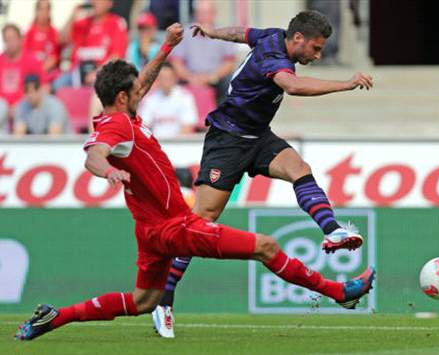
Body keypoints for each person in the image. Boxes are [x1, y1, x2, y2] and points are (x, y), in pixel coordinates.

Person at [14, 23, 375, 342]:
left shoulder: (124, 113)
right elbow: (94, 154)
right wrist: (107, 170)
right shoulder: (117, 126)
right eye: (134, 88)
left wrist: (168, 46)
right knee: (265, 246)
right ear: (123, 97)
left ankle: (57, 316)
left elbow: (147, 80)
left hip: (150, 231)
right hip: (175, 226)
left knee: (142, 301)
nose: (142, 88)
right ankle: (338, 291)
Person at [151, 10, 374, 338]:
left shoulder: (271, 34)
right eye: (314, 48)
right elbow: (293, 86)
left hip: (258, 136)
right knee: (200, 220)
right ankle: (162, 299)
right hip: (227, 139)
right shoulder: (274, 58)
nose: (317, 54)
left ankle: (333, 231)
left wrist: (213, 33)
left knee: (300, 169)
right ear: (297, 39)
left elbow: (242, 32)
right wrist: (346, 83)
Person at [171, 0, 236, 102]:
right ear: (196, 14)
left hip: (215, 78)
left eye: (207, 13)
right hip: (189, 78)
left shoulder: (224, 32)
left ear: (214, 14)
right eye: (201, 13)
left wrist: (212, 77)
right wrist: (190, 78)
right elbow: (176, 62)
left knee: (230, 83)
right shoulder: (185, 33)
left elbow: (229, 63)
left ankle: (224, 116)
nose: (204, 16)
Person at [56, 0, 128, 89]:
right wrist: (72, 16)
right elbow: (61, 40)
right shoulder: (83, 23)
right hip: (77, 73)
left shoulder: (116, 23)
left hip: (102, 73)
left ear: (109, 4)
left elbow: (116, 56)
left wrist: (98, 72)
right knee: (58, 84)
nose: (95, 2)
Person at [139, 62, 198, 138]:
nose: (166, 80)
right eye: (163, 77)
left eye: (168, 77)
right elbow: (144, 127)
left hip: (180, 143)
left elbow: (188, 126)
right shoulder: (150, 99)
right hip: (156, 144)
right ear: (158, 79)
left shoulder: (185, 97)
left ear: (175, 77)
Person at [0, 24, 46, 108]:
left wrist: (29, 103)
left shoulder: (31, 60)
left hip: (25, 106)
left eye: (13, 38)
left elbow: (44, 86)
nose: (10, 43)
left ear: (20, 39)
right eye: (6, 39)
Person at [23, 0, 60, 77]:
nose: (44, 13)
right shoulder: (29, 32)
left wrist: (40, 71)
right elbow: (24, 56)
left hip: (48, 73)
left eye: (47, 9)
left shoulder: (54, 33)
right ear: (36, 11)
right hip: (30, 72)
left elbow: (53, 58)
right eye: (41, 9)